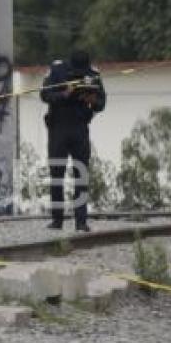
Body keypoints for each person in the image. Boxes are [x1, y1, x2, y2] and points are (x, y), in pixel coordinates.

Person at [40, 49, 106, 232]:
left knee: (81, 175)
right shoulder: (56, 71)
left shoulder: (93, 74)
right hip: (58, 128)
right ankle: (57, 219)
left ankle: (81, 221)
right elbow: (44, 95)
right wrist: (64, 94)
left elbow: (102, 103)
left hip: (80, 127)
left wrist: (93, 99)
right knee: (57, 175)